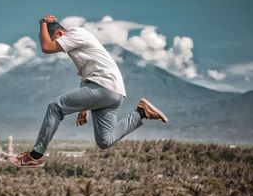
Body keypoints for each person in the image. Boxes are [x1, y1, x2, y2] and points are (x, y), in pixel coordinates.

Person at [10, 15, 168, 168]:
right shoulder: (81, 49)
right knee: (104, 141)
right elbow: (89, 76)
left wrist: (43, 22)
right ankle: (142, 112)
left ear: (59, 34)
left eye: (56, 41)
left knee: (55, 107)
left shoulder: (76, 33)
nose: (60, 48)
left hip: (104, 86)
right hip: (114, 93)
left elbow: (46, 47)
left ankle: (35, 155)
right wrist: (84, 108)